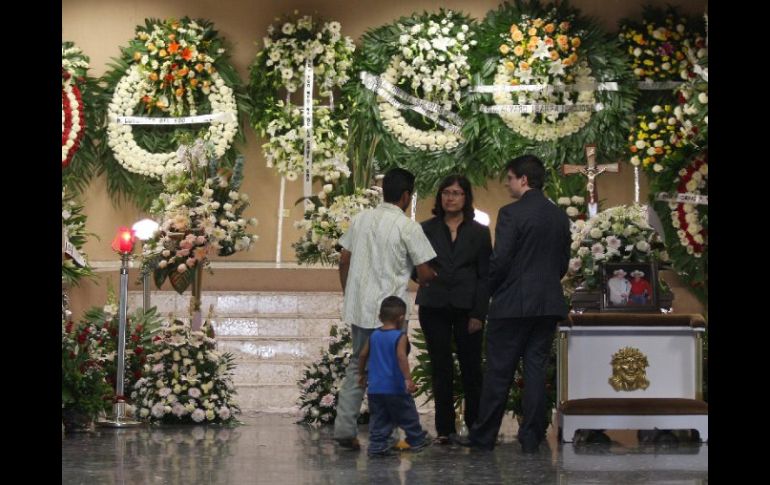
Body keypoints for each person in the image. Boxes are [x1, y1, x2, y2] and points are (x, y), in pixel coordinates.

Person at [462, 155, 571, 453]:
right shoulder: (559, 216)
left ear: (523, 180)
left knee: (499, 372)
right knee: (534, 369)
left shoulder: (511, 213)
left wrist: (492, 290)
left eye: (510, 178)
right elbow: (562, 263)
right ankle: (532, 436)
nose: (507, 183)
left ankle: (484, 437)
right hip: (547, 304)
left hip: (511, 304)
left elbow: (500, 260)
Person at [333, 168, 437, 451]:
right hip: (391, 314)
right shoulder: (408, 227)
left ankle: (344, 429)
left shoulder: (360, 219)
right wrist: (429, 278)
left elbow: (344, 260)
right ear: (406, 196)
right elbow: (425, 271)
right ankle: (389, 435)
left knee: (358, 365)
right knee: (391, 369)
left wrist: (349, 292)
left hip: (359, 308)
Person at [415, 174, 492, 445]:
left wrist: (478, 314)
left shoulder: (480, 232)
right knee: (441, 367)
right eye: (446, 192)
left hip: (467, 308)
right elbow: (415, 266)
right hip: (433, 304)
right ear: (440, 197)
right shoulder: (425, 229)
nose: (450, 197)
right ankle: (444, 430)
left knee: (471, 368)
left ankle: (476, 427)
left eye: (456, 193)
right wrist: (425, 277)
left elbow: (485, 276)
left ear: (465, 197)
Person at [358, 296, 432, 456]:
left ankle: (377, 446)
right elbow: (401, 357)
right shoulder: (400, 336)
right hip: (395, 388)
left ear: (380, 317)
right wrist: (408, 379)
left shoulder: (374, 336)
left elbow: (363, 355)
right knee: (407, 414)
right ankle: (416, 440)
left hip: (375, 389)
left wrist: (361, 374)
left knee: (379, 419)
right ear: (401, 318)